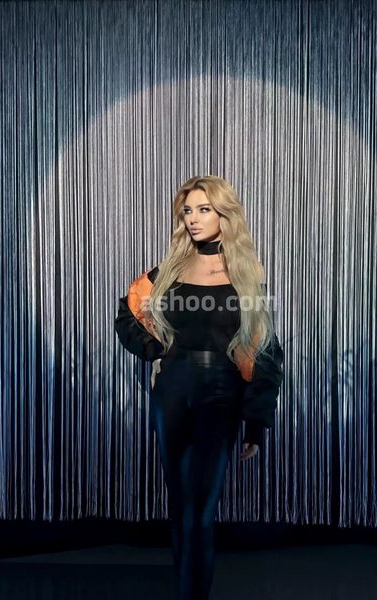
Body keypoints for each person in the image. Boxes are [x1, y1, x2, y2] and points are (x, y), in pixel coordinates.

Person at [115, 175, 284, 599]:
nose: (193, 218)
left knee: (200, 512)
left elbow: (264, 348)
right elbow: (128, 310)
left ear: (224, 214)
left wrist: (256, 420)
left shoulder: (247, 273)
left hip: (221, 394)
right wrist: (154, 348)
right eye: (188, 210)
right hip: (171, 392)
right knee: (180, 506)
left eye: (204, 209)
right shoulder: (171, 267)